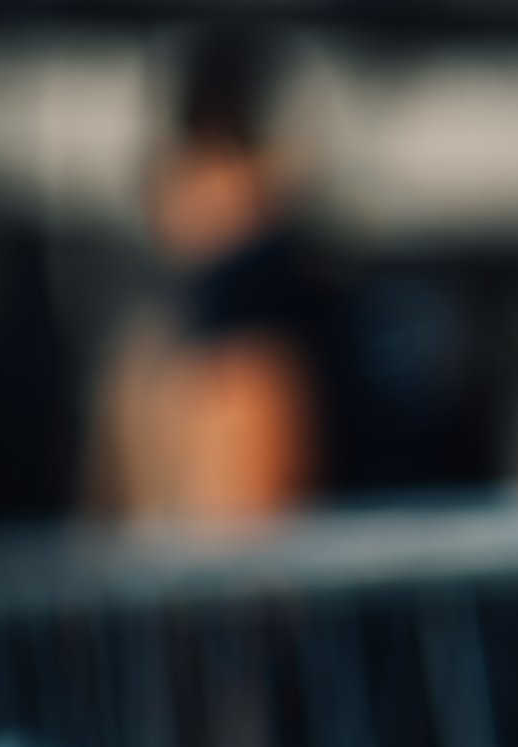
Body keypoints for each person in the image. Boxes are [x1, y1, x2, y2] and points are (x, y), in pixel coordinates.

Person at [84, 29, 321, 532]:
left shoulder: (254, 353)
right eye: (193, 156)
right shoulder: (149, 346)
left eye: (223, 155)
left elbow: (233, 559)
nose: (196, 185)